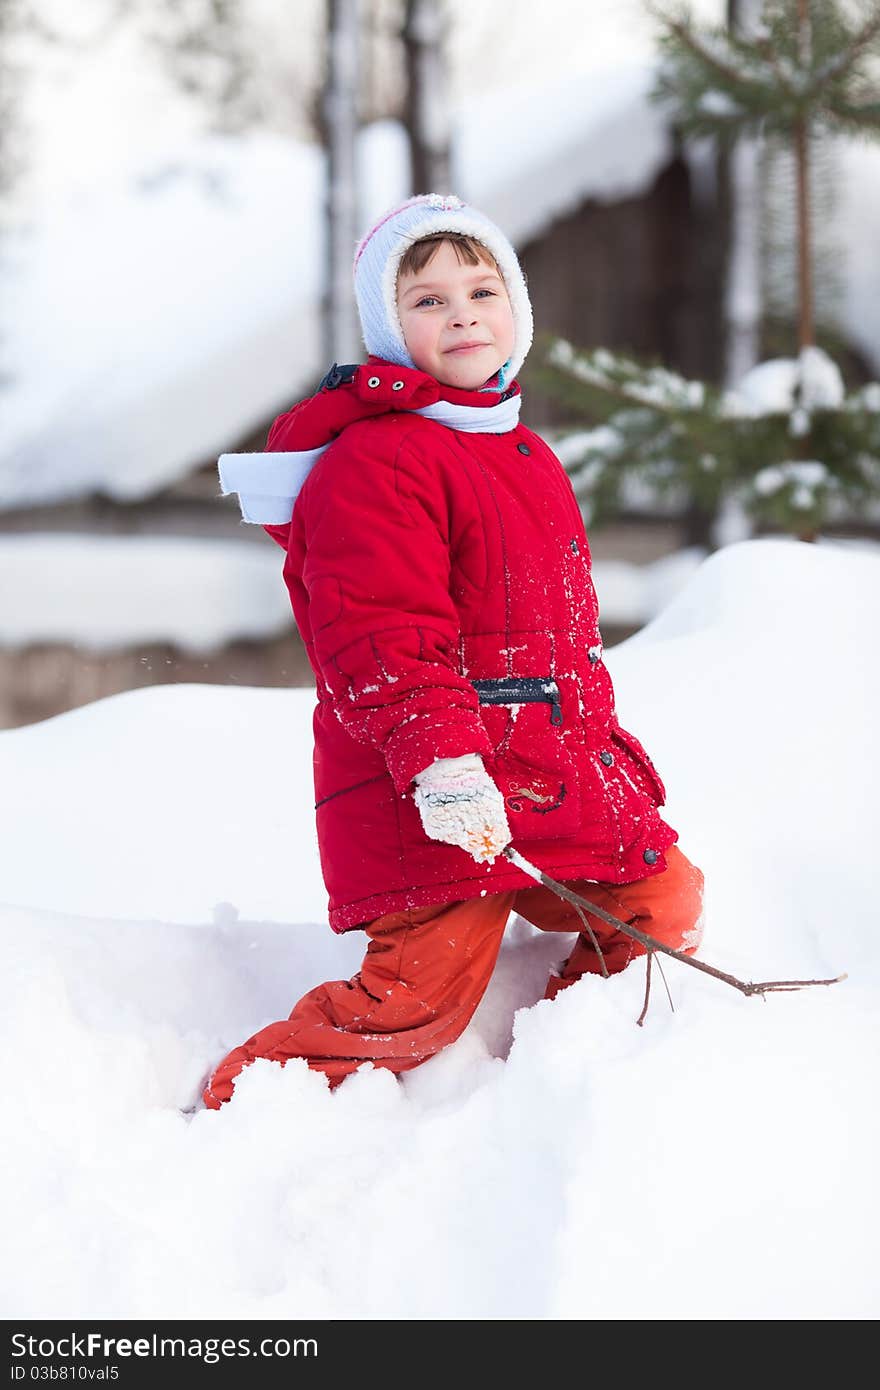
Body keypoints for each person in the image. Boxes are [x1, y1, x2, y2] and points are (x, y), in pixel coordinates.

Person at [206, 193, 705, 1108]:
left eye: (481, 288)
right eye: (427, 300)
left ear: (516, 310)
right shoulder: (381, 461)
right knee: (416, 1004)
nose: (462, 312)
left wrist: (606, 765)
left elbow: (561, 642)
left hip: (546, 774)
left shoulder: (520, 453)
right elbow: (380, 636)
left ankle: (575, 1052)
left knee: (660, 905)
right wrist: (443, 765)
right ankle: (252, 1105)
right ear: (388, 332)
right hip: (431, 788)